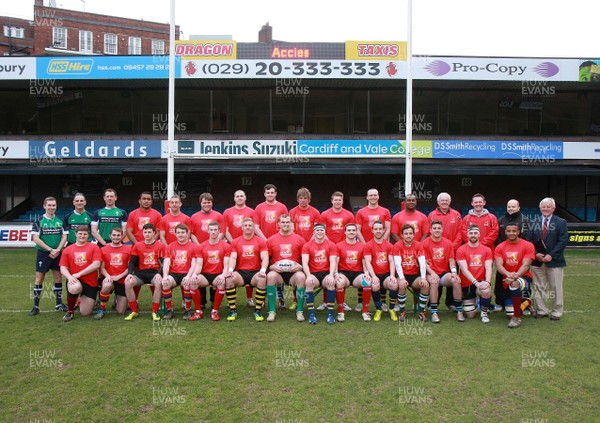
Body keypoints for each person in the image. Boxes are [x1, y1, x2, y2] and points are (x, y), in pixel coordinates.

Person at [527, 197, 568, 321]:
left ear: (553, 208)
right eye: (543, 207)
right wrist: (535, 254)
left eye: (548, 207)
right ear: (540, 208)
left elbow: (563, 240)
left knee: (555, 287)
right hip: (537, 261)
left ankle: (557, 311)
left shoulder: (561, 222)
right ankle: (542, 310)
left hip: (554, 261)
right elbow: (528, 241)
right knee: (539, 286)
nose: (545, 209)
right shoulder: (533, 222)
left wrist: (551, 255)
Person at [222, 190, 264, 307]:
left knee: (249, 267)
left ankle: (249, 299)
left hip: (249, 245)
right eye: (237, 196)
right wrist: (234, 243)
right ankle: (232, 300)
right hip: (233, 245)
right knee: (233, 271)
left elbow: (255, 228)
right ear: (234, 198)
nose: (239, 198)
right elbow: (225, 230)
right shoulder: (227, 212)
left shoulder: (251, 211)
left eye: (241, 196)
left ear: (245, 198)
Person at [30, 196, 68, 315]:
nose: (51, 207)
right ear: (44, 206)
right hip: (43, 253)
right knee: (39, 279)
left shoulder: (60, 221)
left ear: (56, 206)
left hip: (57, 253)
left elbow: (65, 237)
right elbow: (35, 238)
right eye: (49, 205)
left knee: (58, 278)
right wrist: (50, 249)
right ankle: (36, 306)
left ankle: (58, 304)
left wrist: (57, 249)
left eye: (53, 205)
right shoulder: (39, 221)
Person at [226, 218, 269, 321]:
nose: (248, 227)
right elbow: (233, 257)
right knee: (229, 279)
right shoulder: (236, 241)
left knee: (262, 279)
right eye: (245, 225)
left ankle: (258, 310)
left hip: (255, 272)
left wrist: (263, 270)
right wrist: (231, 270)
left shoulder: (260, 241)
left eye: (250, 225)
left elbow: (265, 257)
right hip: (241, 272)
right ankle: (233, 310)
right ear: (242, 228)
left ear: (254, 228)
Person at [266, 214, 307, 322]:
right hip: (278, 273)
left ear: (292, 224)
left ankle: (299, 311)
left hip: (293, 272)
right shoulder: (271, 240)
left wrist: (300, 266)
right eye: (283, 222)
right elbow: (266, 259)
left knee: (301, 278)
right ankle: (272, 311)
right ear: (278, 224)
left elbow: (305, 259)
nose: (285, 224)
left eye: (287, 222)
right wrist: (271, 267)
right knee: (270, 277)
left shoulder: (300, 240)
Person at [495, 222, 536, 328]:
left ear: (519, 232)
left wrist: (515, 275)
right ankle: (527, 302)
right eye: (509, 231)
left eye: (514, 231)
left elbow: (526, 265)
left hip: (523, 277)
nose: (511, 233)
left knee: (514, 284)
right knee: (509, 313)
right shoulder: (500, 247)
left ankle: (517, 318)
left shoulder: (528, 245)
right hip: (507, 278)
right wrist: (508, 274)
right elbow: (499, 265)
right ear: (505, 232)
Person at [255, 184, 289, 310]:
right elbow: (256, 227)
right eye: (268, 192)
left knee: (279, 269)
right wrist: (266, 240)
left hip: (279, 244)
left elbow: (286, 224)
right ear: (264, 194)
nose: (270, 194)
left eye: (272, 192)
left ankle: (281, 299)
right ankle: (263, 299)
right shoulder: (259, 208)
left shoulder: (282, 207)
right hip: (263, 244)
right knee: (265, 271)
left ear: (276, 193)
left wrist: (277, 239)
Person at [422, 220, 463, 323]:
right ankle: (434, 312)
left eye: (439, 228)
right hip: (430, 272)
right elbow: (424, 263)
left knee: (456, 280)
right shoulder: (425, 243)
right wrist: (432, 273)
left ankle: (459, 310)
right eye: (434, 228)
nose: (437, 230)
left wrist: (454, 272)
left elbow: (451, 260)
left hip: (444, 273)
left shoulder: (448, 243)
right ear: (430, 230)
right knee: (434, 282)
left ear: (442, 230)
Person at [123, 223, 166, 321]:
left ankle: (155, 311)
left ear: (154, 233)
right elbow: (132, 261)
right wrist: (129, 273)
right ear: (143, 233)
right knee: (128, 282)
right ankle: (134, 311)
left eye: (149, 232)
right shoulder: (138, 245)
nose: (147, 234)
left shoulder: (160, 245)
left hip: (154, 273)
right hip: (141, 273)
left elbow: (164, 263)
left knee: (159, 282)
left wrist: (159, 274)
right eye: (145, 232)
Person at [189, 192, 225, 309]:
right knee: (201, 272)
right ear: (201, 203)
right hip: (200, 249)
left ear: (212, 203)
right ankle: (202, 302)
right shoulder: (194, 217)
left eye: (209, 202)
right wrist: (200, 246)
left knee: (215, 271)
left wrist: (215, 244)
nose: (207, 204)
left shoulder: (218, 215)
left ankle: (214, 301)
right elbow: (192, 234)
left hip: (216, 249)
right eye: (204, 202)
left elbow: (222, 231)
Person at [59, 225, 102, 321]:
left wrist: (80, 273)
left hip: (90, 282)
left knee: (85, 313)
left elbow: (96, 264)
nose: (82, 236)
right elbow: (63, 267)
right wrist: (69, 277)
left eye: (85, 234)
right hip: (75, 280)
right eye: (80, 234)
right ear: (75, 234)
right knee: (75, 287)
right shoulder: (68, 249)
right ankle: (70, 312)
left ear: (88, 235)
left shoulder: (94, 247)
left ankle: (79, 300)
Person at [494, 199, 530, 313]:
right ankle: (500, 302)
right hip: (504, 255)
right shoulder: (501, 220)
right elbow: (497, 237)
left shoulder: (525, 220)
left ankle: (526, 303)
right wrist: (503, 250)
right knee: (500, 280)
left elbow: (527, 237)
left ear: (518, 208)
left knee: (522, 280)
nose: (511, 209)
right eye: (509, 206)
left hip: (520, 256)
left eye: (513, 207)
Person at [428, 192, 462, 310]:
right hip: (437, 250)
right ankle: (434, 303)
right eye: (442, 200)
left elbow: (459, 232)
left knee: (453, 274)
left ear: (450, 202)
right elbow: (429, 232)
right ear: (438, 202)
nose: (444, 202)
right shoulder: (432, 215)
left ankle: (451, 303)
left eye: (446, 200)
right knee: (436, 276)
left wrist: (451, 247)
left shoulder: (456, 214)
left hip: (452, 250)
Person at [192, 222, 232, 321]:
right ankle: (198, 312)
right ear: (208, 231)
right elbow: (199, 264)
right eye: (211, 230)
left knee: (221, 283)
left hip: (218, 274)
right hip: (205, 275)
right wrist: (194, 274)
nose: (213, 232)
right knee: (193, 282)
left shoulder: (226, 246)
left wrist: (223, 275)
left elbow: (226, 264)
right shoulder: (201, 246)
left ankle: (215, 311)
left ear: (219, 231)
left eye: (215, 230)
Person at [301, 223, 338, 325]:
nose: (320, 232)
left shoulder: (331, 245)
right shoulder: (307, 245)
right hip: (314, 273)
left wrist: (331, 275)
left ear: (325, 232)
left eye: (322, 230)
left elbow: (333, 261)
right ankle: (311, 315)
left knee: (331, 283)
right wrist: (308, 276)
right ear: (314, 232)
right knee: (309, 283)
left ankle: (330, 314)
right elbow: (304, 262)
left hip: (326, 273)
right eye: (317, 230)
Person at [456, 225, 494, 324]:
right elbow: (464, 269)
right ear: (467, 235)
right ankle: (478, 301)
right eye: (471, 233)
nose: (473, 235)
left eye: (475, 233)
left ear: (479, 235)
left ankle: (484, 312)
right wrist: (475, 283)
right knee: (470, 315)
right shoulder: (461, 249)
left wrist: (487, 282)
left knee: (486, 290)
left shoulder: (486, 250)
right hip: (467, 284)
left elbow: (489, 267)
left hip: (481, 282)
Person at [392, 225, 429, 322]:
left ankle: (421, 311)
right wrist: (402, 278)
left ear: (414, 235)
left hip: (414, 275)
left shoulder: (418, 245)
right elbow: (397, 264)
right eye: (406, 233)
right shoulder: (397, 245)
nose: (408, 235)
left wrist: (423, 278)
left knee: (425, 285)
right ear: (402, 235)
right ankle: (402, 311)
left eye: (410, 233)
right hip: (402, 274)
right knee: (402, 285)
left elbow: (422, 263)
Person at [335, 223, 371, 321]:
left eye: (353, 230)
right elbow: (336, 262)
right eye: (349, 230)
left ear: (356, 232)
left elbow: (364, 262)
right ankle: (341, 312)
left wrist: (366, 273)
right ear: (345, 232)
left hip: (357, 274)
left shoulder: (362, 246)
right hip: (344, 273)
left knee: (367, 282)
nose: (351, 232)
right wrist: (336, 274)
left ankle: (365, 311)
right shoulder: (338, 246)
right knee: (339, 282)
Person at [161, 224, 198, 320]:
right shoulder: (170, 246)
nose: (180, 235)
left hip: (186, 273)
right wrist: (165, 276)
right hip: (174, 273)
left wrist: (188, 276)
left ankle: (187, 309)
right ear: (175, 234)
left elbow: (194, 264)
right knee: (165, 283)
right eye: (178, 233)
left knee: (187, 284)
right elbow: (166, 263)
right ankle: (170, 310)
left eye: (183, 232)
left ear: (187, 234)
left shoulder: (193, 247)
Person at [364, 220, 397, 322]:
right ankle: (379, 309)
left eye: (380, 229)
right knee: (374, 285)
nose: (378, 231)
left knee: (394, 284)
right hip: (375, 273)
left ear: (384, 230)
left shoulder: (389, 245)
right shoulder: (368, 245)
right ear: (372, 230)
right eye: (376, 229)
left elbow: (391, 261)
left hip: (386, 274)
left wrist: (392, 275)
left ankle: (392, 309)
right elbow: (368, 262)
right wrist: (373, 276)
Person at [96, 227, 132, 318]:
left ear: (122, 236)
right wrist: (108, 276)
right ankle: (101, 309)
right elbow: (102, 267)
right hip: (109, 278)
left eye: (118, 235)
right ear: (110, 236)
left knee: (121, 312)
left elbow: (130, 268)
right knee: (106, 285)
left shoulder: (128, 250)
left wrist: (119, 276)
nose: (116, 237)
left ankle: (118, 298)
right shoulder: (103, 249)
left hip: (122, 280)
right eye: (114, 235)